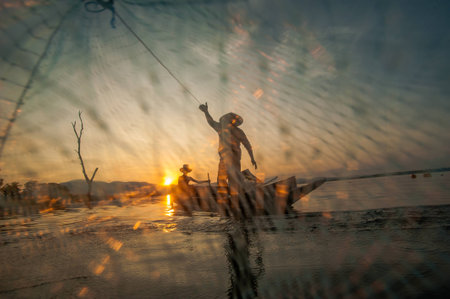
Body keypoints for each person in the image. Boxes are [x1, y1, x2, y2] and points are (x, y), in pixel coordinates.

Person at [199, 102, 257, 212]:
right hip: (224, 159)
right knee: (221, 180)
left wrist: (252, 158)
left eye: (228, 118)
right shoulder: (220, 128)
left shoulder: (238, 131)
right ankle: (227, 202)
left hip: (234, 158)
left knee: (233, 180)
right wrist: (206, 112)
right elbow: (210, 122)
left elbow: (248, 145)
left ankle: (236, 202)